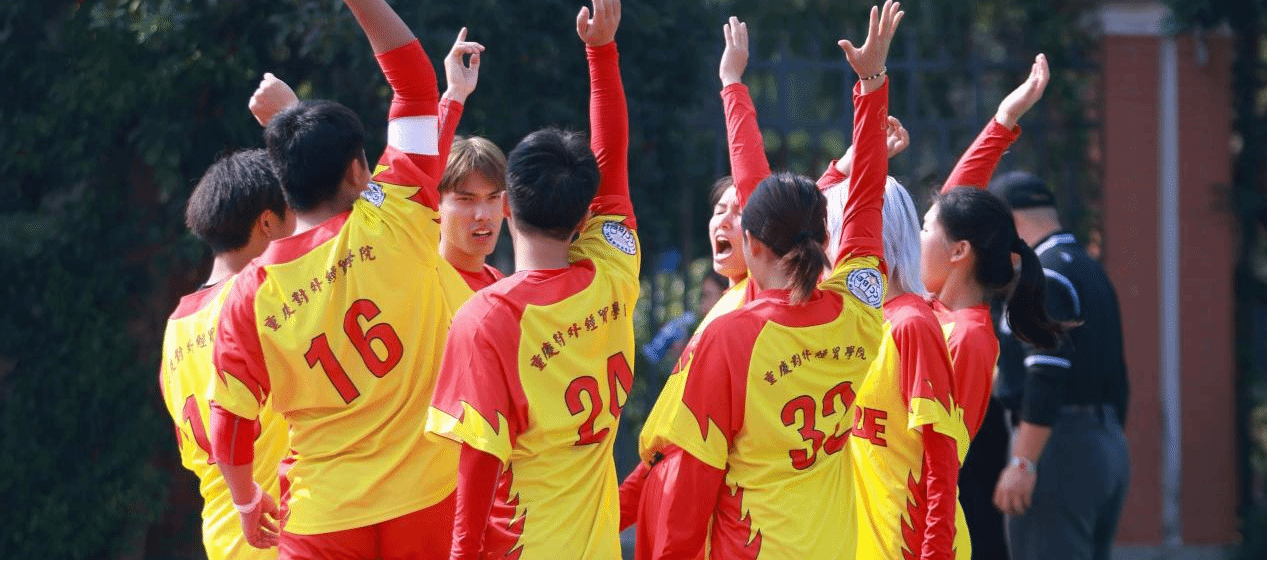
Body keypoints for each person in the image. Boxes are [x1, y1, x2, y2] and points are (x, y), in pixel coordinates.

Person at [635, 4, 900, 557]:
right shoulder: (861, 307)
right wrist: (872, 84)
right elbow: (867, 199)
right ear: (824, 236)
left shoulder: (733, 336)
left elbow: (691, 491)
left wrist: (732, 83)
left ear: (752, 244)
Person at [209, 1, 462, 557]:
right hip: (428, 496)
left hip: (322, 514)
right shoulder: (399, 213)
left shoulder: (250, 293)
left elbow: (229, 420)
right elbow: (416, 84)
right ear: (357, 170)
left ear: (281, 181)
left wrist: (247, 502)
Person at [424, 1, 637, 558]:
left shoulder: (488, 316)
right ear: (586, 217)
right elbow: (613, 163)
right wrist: (601, 52)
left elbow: (479, 464)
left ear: (507, 206)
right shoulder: (615, 274)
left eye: (490, 198)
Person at [246, 28, 503, 302]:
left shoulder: (504, 287)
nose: (482, 214)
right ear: (433, 201)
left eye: (493, 197)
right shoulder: (408, 262)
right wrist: (293, 117)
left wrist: (456, 93)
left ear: (507, 204)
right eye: (465, 199)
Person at [988, 170, 1131, 560]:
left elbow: (1045, 375)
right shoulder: (1086, 266)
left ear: (1009, 224)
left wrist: (1023, 462)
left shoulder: (1044, 274)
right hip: (1104, 441)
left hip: (1058, 446)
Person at [159, 149, 293, 560]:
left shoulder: (174, 328)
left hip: (224, 536)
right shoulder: (263, 297)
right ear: (268, 223)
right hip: (281, 531)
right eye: (295, 213)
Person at [640, 270, 727, 366]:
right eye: (702, 295)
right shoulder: (693, 323)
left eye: (708, 295)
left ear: (724, 296)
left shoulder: (724, 328)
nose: (702, 301)